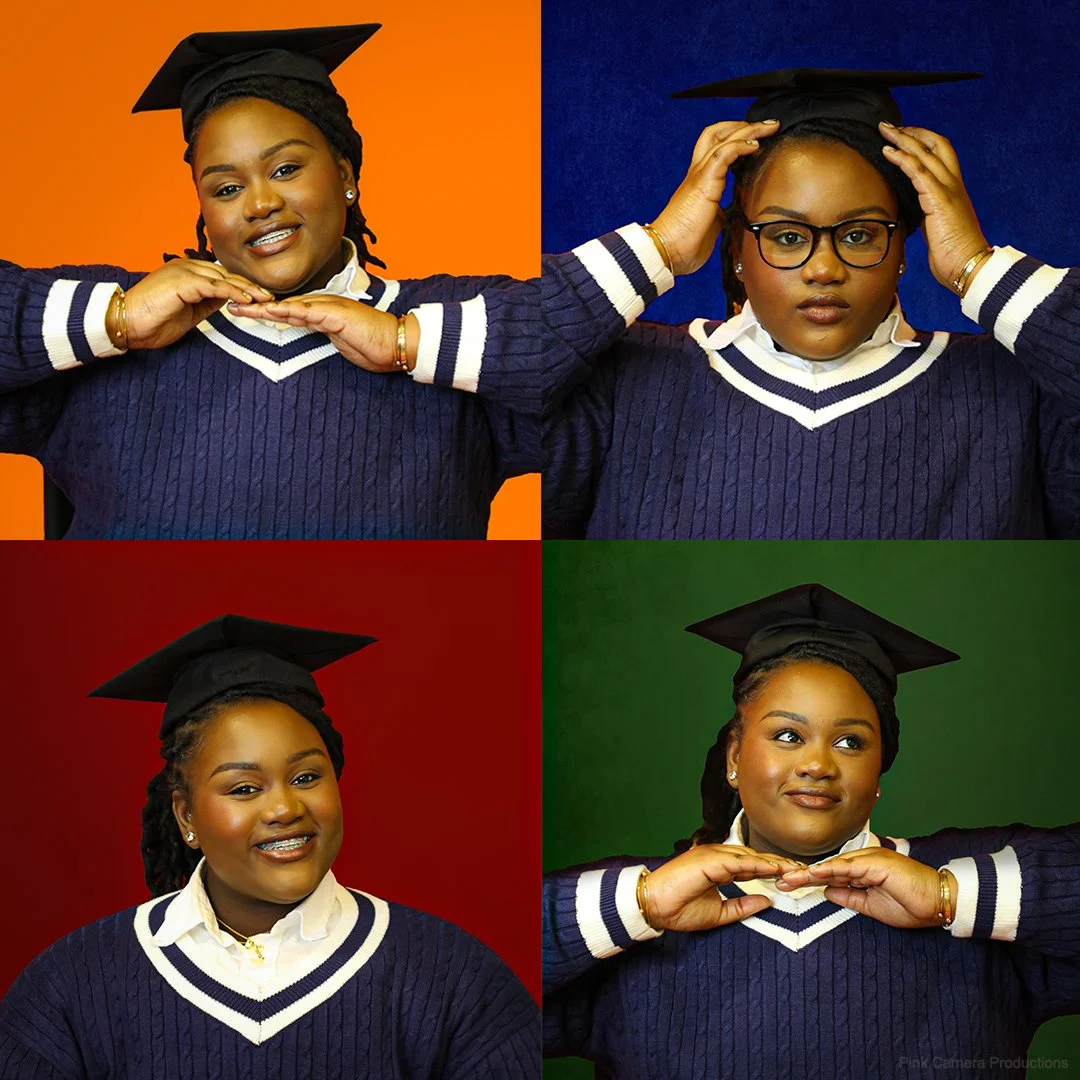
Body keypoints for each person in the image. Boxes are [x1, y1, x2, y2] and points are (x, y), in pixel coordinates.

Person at [0, 25, 539, 539]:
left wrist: (405, 342)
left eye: (285, 170)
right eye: (227, 188)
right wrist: (114, 321)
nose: (260, 204)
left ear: (346, 174)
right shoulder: (109, 331)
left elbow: (608, 366)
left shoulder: (450, 321)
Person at [542, 584, 1080, 1078]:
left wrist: (949, 896)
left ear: (878, 776)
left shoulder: (967, 894)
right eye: (786, 735)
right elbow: (468, 977)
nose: (818, 764)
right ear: (734, 756)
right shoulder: (639, 912)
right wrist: (636, 904)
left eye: (850, 743)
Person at [542, 69, 1080, 539]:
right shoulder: (622, 381)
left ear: (903, 249)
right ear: (736, 249)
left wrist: (976, 267)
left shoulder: (1018, 387)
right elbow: (475, 363)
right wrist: (657, 247)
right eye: (787, 236)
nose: (824, 269)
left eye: (859, 234)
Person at [0, 616, 539, 1078]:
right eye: (244, 788)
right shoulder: (70, 988)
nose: (284, 808)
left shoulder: (456, 978)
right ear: (186, 815)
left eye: (306, 777)